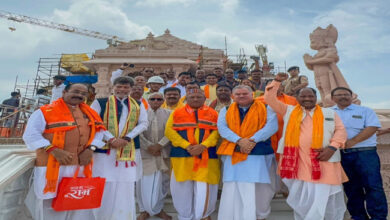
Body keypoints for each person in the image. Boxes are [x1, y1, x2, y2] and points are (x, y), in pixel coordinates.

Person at [264, 73, 348, 220]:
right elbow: (269, 99)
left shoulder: (328, 112)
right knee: (301, 199)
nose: (307, 99)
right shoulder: (288, 111)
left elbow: (341, 131)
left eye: (311, 96)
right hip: (298, 163)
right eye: (303, 96)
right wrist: (276, 82)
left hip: (323, 160)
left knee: (324, 195)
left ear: (316, 98)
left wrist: (332, 148)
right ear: (297, 98)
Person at [23, 83, 106, 220]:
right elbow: (31, 134)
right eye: (76, 91)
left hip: (80, 165)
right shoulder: (44, 111)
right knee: (49, 202)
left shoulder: (89, 113)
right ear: (65, 92)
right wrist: (53, 150)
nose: (79, 95)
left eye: (83, 94)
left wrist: (91, 149)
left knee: (76, 201)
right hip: (52, 164)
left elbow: (100, 132)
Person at [90, 76, 148, 220]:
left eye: (126, 87)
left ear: (130, 89)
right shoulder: (100, 102)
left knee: (126, 185)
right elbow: (94, 122)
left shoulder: (138, 104)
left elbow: (144, 123)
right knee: (104, 183)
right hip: (104, 150)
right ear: (113, 87)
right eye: (119, 87)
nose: (122, 90)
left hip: (127, 149)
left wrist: (127, 138)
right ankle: (100, 216)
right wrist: (110, 138)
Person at [217, 85, 278, 220]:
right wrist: (239, 140)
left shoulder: (266, 108)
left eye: (245, 93)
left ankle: (259, 216)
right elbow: (222, 128)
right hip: (234, 150)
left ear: (252, 94)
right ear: (233, 96)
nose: (241, 96)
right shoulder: (225, 110)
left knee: (261, 187)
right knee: (233, 186)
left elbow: (272, 126)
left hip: (259, 152)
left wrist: (251, 140)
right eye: (238, 94)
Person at [331, 87, 388, 220]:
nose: (343, 97)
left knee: (373, 186)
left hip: (365, 153)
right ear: (333, 98)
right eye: (339, 95)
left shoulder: (365, 110)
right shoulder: (327, 113)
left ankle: (378, 217)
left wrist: (353, 141)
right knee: (351, 188)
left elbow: (373, 127)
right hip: (341, 155)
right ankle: (358, 216)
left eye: (346, 94)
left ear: (352, 97)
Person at [165, 89, 220, 220]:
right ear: (186, 98)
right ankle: (185, 217)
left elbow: (217, 132)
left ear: (204, 98)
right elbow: (169, 132)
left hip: (206, 156)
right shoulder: (177, 113)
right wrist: (187, 146)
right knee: (181, 189)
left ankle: (203, 215)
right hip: (182, 156)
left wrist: (203, 146)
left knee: (204, 189)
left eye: (198, 97)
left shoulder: (213, 113)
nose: (195, 99)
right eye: (192, 97)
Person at [136, 92, 172, 220]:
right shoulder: (141, 113)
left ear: (163, 101)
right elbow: (138, 132)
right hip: (146, 153)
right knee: (143, 182)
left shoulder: (170, 114)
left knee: (163, 182)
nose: (156, 101)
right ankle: (144, 209)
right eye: (153, 99)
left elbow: (172, 131)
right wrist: (149, 146)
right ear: (148, 100)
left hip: (164, 152)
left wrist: (160, 145)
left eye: (159, 99)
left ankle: (158, 209)